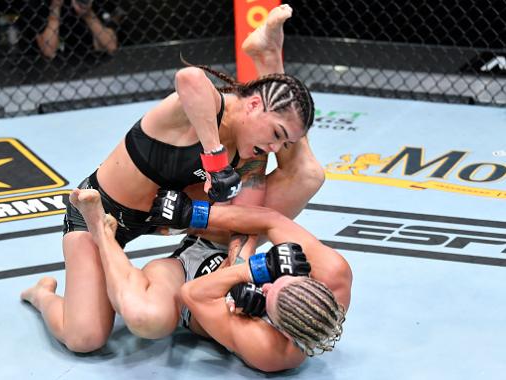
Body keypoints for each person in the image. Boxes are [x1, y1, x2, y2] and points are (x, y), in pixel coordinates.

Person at [21, 4, 323, 353]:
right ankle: (41, 295)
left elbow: (248, 221)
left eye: (284, 143)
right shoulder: (206, 109)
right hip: (103, 214)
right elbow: (189, 78)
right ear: (253, 106)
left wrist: (238, 275)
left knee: (307, 174)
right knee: (85, 338)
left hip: (174, 218)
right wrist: (215, 160)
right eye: (276, 134)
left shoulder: (253, 148)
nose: (275, 147)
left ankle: (268, 58)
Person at [68, 187, 351, 372]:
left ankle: (101, 233)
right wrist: (195, 214)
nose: (266, 286)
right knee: (307, 175)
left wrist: (252, 272)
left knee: (146, 318)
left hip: (188, 285)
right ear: (312, 282)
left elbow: (193, 293)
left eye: (269, 295)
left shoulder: (272, 352)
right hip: (225, 246)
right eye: (277, 280)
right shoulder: (332, 271)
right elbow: (271, 221)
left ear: (284, 331)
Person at [19, 0, 118, 59]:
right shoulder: (36, 4)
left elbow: (111, 46)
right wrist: (55, 9)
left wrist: (88, 14)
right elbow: (49, 51)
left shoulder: (86, 2)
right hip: (43, 76)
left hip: (85, 69)